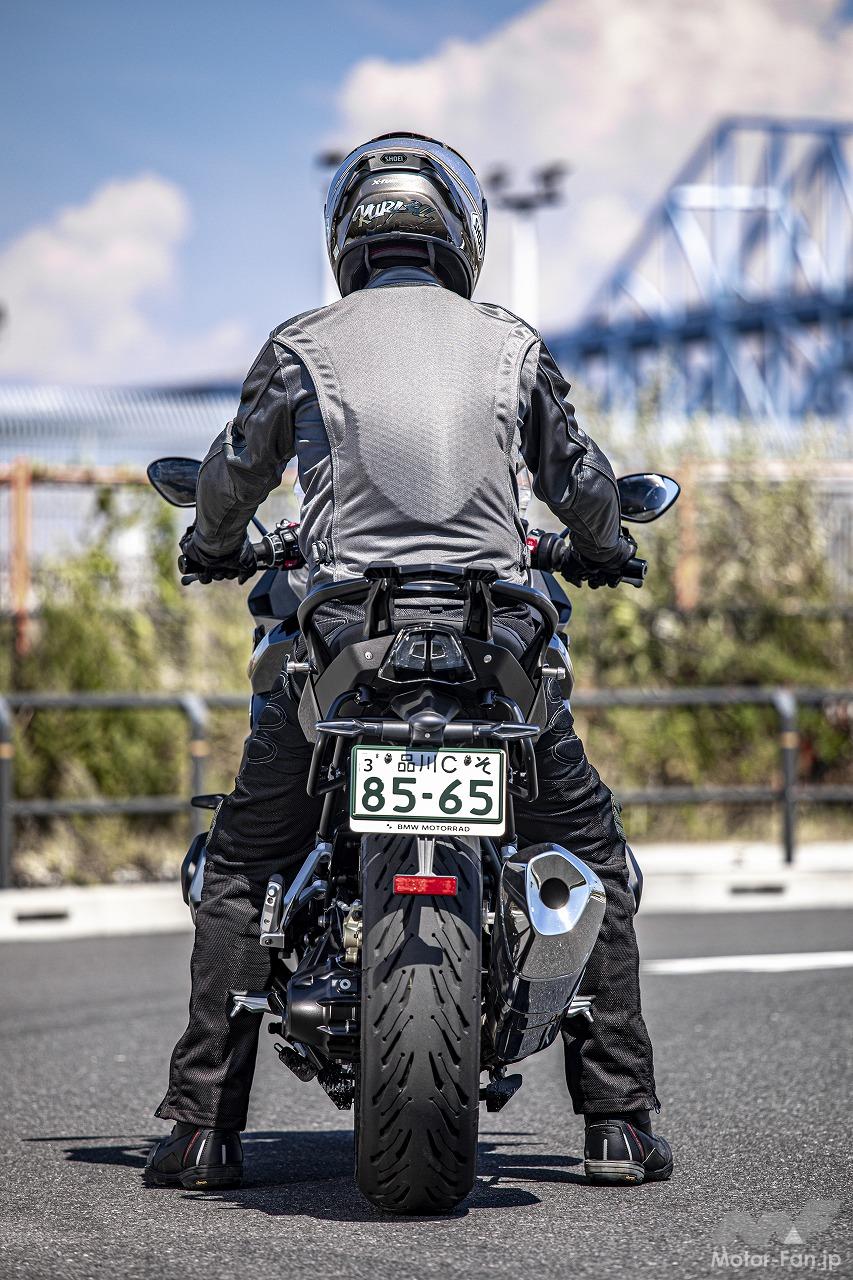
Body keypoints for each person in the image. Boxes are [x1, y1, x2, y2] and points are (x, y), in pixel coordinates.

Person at [146, 132, 672, 1191]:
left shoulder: (302, 342)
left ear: (348, 234)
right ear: (460, 235)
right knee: (589, 856)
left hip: (341, 647)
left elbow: (234, 475)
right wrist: (607, 544)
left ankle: (202, 1129)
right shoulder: (511, 344)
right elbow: (577, 479)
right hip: (496, 647)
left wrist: (210, 542)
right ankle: (615, 1121)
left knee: (244, 864)